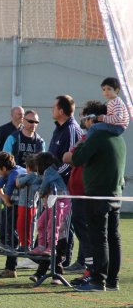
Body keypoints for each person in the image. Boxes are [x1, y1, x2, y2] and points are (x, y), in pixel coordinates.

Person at [65, 110, 126, 292]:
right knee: (113, 238)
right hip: (115, 194)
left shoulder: (96, 136)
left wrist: (81, 143)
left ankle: (98, 280)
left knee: (98, 238)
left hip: (97, 194)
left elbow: (77, 159)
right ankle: (112, 280)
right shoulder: (119, 138)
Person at [63, 101, 106, 275]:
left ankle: (91, 269)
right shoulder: (87, 136)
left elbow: (71, 157)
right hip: (80, 190)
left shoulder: (93, 137)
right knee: (85, 229)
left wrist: (71, 155)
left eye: (85, 116)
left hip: (85, 190)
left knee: (87, 230)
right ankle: (86, 264)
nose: (82, 120)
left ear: (91, 118)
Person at [48, 95, 83, 267]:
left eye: (54, 107)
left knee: (66, 224)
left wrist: (53, 178)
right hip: (55, 185)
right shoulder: (58, 128)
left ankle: (64, 259)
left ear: (61, 111)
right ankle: (50, 257)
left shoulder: (71, 129)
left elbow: (69, 163)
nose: (52, 109)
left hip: (67, 186)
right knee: (54, 222)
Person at [28, 153, 71, 285]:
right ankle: (42, 246)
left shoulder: (49, 171)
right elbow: (38, 183)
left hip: (61, 200)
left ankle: (52, 270)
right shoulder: (48, 172)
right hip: (53, 202)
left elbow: (43, 185)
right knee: (41, 223)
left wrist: (41, 193)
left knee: (54, 227)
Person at [0, 152, 25, 278]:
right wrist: (6, 201)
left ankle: (11, 268)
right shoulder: (10, 172)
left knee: (12, 235)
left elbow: (7, 194)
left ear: (4, 168)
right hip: (14, 206)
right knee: (6, 229)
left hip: (21, 207)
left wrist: (6, 201)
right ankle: (9, 266)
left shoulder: (15, 174)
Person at [14, 154, 41, 253]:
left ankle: (25, 245)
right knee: (30, 225)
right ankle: (28, 244)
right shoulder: (37, 176)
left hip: (25, 205)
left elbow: (18, 183)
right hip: (32, 205)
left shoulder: (30, 176)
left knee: (23, 225)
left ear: (28, 167)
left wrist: (18, 177)